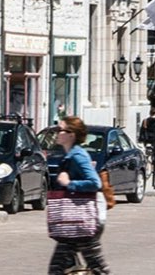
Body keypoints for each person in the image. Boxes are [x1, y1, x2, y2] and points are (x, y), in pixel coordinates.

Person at [46, 116, 109, 275]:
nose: (57, 133)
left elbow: (95, 183)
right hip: (74, 221)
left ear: (71, 134)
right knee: (83, 266)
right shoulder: (70, 155)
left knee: (93, 266)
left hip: (81, 220)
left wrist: (69, 184)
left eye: (60, 130)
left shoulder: (77, 155)